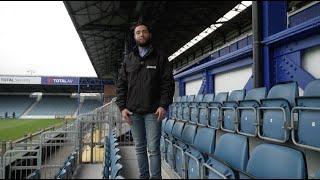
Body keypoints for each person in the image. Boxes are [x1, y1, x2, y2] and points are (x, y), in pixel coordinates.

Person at [116, 21, 175, 179]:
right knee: (140, 148)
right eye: (138, 32)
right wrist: (122, 107)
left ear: (149, 34)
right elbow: (121, 85)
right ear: (134, 37)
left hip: (153, 112)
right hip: (133, 112)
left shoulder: (160, 58)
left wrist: (163, 105)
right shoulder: (128, 60)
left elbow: (167, 83)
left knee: (153, 149)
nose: (141, 34)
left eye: (144, 31)